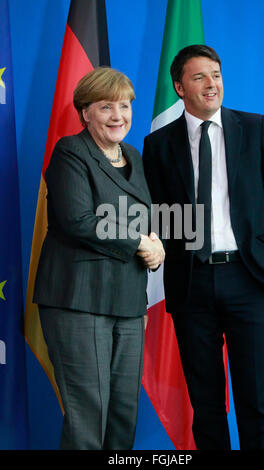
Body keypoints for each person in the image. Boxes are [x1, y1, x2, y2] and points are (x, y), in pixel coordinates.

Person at [142, 45, 264, 451]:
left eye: (216, 75)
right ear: (179, 87)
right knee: (207, 405)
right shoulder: (158, 143)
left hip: (250, 278)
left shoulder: (254, 127)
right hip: (191, 283)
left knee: (255, 401)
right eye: (199, 77)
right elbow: (160, 215)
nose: (212, 84)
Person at [33, 66, 164, 450]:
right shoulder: (70, 152)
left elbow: (143, 219)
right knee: (88, 414)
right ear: (85, 111)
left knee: (124, 413)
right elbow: (78, 220)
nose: (118, 116)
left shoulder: (135, 157)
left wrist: (156, 244)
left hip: (127, 301)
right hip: (78, 299)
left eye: (124, 106)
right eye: (106, 107)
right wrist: (141, 243)